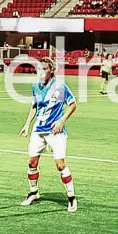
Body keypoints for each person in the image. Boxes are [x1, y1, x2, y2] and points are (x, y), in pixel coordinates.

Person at [18, 57, 78, 212]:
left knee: (60, 165)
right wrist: (26, 125)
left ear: (51, 70)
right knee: (32, 163)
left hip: (55, 132)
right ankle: (33, 192)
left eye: (44, 69)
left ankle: (71, 198)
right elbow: (34, 107)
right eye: (39, 68)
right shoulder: (35, 86)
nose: (41, 71)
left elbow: (73, 104)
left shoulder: (60, 86)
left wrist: (62, 121)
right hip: (38, 130)